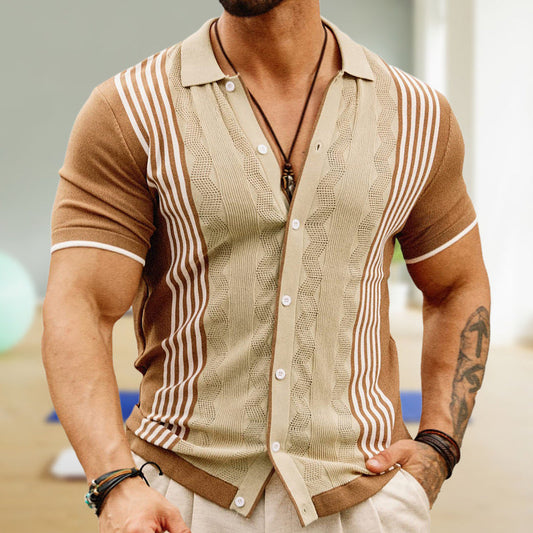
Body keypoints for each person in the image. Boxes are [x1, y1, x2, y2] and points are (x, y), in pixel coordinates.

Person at [42, 0, 491, 531]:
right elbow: (80, 304)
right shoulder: (131, 109)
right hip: (182, 499)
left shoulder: (417, 115)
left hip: (366, 493)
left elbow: (457, 284)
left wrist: (439, 446)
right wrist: (115, 484)